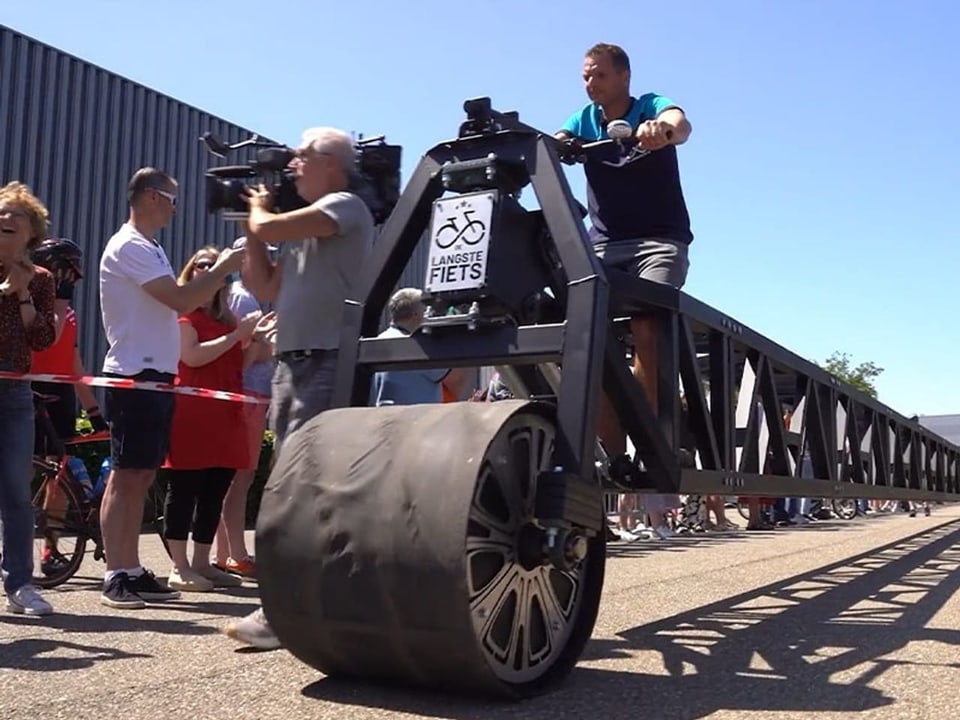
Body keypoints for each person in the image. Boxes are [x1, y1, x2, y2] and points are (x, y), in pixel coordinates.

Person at [224, 126, 376, 649]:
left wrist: (259, 213)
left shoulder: (346, 206)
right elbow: (265, 286)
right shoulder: (309, 232)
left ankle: (281, 611)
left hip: (327, 362)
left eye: (301, 157)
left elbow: (270, 226)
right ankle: (310, 607)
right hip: (294, 364)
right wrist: (251, 229)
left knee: (302, 487)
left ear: (333, 162)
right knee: (297, 485)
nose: (292, 166)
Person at [97, 167, 244, 609]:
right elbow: (182, 300)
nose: (176, 207)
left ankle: (131, 568)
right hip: (133, 373)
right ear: (150, 197)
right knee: (125, 478)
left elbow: (180, 299)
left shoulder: (151, 248)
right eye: (171, 198)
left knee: (141, 475)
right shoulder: (130, 246)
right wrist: (224, 268)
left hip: (155, 375)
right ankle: (115, 573)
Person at [556, 42, 693, 501]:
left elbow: (680, 122)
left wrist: (662, 132)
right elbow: (558, 140)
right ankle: (611, 466)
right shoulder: (585, 119)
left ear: (623, 78)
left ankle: (648, 441)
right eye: (586, 76)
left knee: (647, 329)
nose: (590, 83)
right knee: (589, 344)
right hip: (605, 246)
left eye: (598, 75)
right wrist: (555, 145)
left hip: (659, 242)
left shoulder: (649, 106)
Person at [161, 245, 273, 592]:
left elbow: (238, 363)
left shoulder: (228, 320)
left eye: (214, 266)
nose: (207, 269)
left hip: (227, 414)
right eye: (201, 264)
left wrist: (258, 340)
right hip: (194, 414)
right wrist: (239, 336)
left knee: (215, 489)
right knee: (185, 489)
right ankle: (178, 567)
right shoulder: (184, 317)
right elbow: (192, 358)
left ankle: (201, 563)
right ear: (190, 272)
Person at [30, 237, 108, 576]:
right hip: (29, 387)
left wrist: (92, 410)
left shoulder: (69, 309)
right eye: (69, 268)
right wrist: (58, 299)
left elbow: (73, 360)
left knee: (58, 473)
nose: (75, 276)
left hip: (61, 393)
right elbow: (50, 334)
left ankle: (51, 551)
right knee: (25, 469)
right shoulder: (29, 303)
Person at [0, 181, 57, 616]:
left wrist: (20, 293)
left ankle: (19, 582)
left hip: (15, 391)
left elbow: (42, 337)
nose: (5, 220)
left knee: (17, 491)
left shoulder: (41, 279)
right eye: (1, 213)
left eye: (14, 216)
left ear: (31, 231)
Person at [213, 235, 278, 579]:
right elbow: (244, 355)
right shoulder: (244, 297)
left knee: (237, 478)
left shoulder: (240, 295)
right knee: (240, 478)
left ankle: (228, 553)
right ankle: (235, 554)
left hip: (249, 396)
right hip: (247, 396)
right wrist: (269, 342)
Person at [370, 287, 470, 406]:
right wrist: (462, 333)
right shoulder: (416, 346)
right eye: (426, 308)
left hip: (386, 417)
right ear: (416, 314)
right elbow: (456, 380)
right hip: (417, 420)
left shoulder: (379, 340)